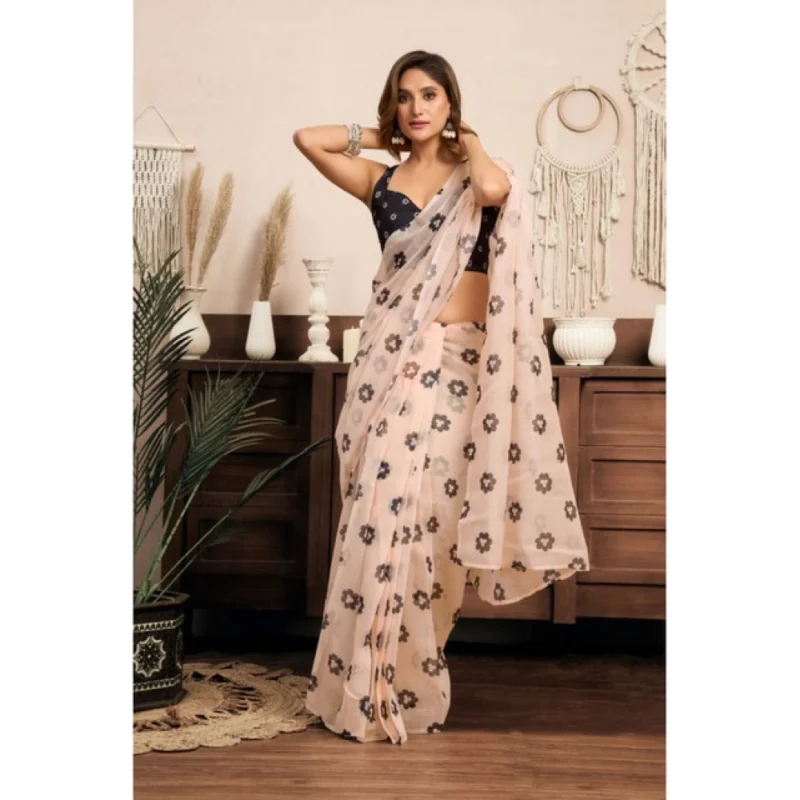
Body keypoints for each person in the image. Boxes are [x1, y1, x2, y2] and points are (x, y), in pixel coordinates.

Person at [293, 50, 589, 745]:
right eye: (405, 98)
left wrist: (468, 138)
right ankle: (364, 677)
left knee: (434, 517)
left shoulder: (475, 174)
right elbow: (309, 139)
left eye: (429, 95)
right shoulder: (382, 181)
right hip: (394, 366)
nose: (417, 107)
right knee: (378, 512)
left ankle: (410, 671)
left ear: (451, 101)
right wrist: (383, 135)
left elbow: (491, 187)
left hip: (462, 368)